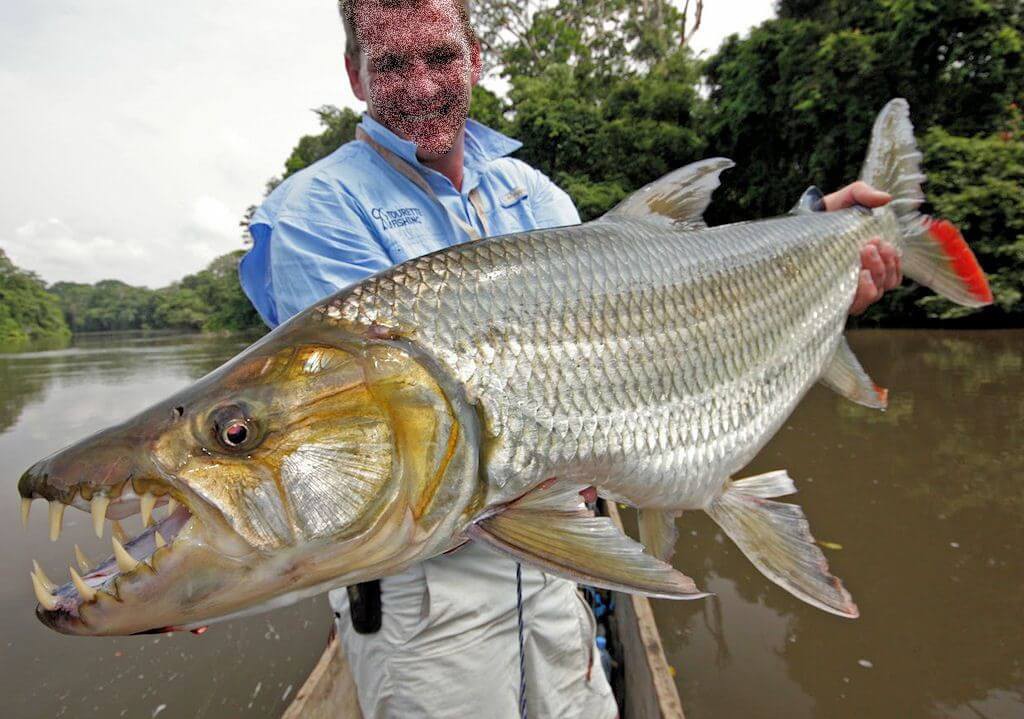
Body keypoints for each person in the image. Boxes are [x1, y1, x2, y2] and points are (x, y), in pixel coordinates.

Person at [239, 1, 901, 716]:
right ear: (354, 74)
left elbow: (654, 318)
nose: (423, 87)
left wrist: (813, 253)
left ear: (476, 57)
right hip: (425, 602)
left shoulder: (536, 194)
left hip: (560, 566)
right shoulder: (316, 211)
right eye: (392, 64)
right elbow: (359, 451)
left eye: (439, 57)